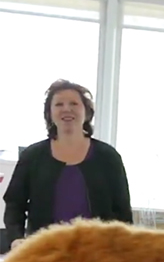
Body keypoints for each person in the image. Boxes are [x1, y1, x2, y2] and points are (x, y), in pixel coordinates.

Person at [3, 80, 133, 249]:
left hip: (99, 253)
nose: (66, 109)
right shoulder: (32, 156)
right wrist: (16, 238)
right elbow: (14, 204)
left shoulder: (108, 157)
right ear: (49, 114)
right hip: (45, 252)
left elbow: (123, 212)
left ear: (87, 112)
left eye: (74, 103)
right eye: (59, 104)